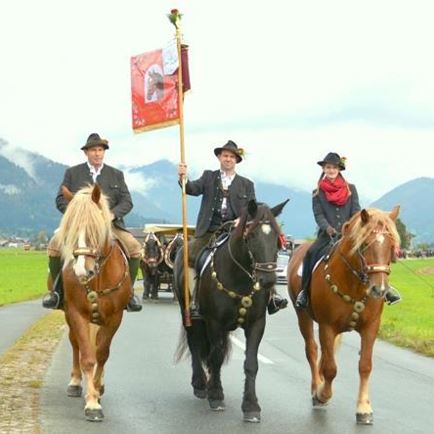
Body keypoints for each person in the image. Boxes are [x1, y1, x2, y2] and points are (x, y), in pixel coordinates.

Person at [177, 140, 288, 317]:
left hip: (235, 231)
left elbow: (253, 209)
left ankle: (271, 297)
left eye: (231, 156)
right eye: (225, 155)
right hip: (209, 231)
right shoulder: (208, 177)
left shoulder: (246, 184)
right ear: (219, 157)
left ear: (236, 160)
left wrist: (240, 220)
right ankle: (195, 300)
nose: (228, 159)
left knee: (261, 253)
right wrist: (183, 177)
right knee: (191, 256)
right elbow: (191, 189)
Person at [42, 133, 142, 312]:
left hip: (110, 226)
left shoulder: (116, 174)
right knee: (54, 246)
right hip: (78, 225)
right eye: (94, 150)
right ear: (86, 153)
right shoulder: (72, 173)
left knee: (134, 248)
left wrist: (111, 215)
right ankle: (57, 292)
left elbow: (127, 201)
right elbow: (60, 200)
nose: (97, 153)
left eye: (100, 150)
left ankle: (129, 293)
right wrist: (76, 214)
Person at [296, 152, 401, 308]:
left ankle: (386, 288)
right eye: (328, 167)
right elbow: (318, 215)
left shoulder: (351, 189)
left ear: (339, 169)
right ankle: (304, 292)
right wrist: (328, 228)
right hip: (327, 235)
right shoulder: (317, 192)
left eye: (334, 167)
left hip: (350, 234)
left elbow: (356, 211)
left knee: (374, 251)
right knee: (310, 254)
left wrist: (353, 228)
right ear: (324, 169)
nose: (331, 170)